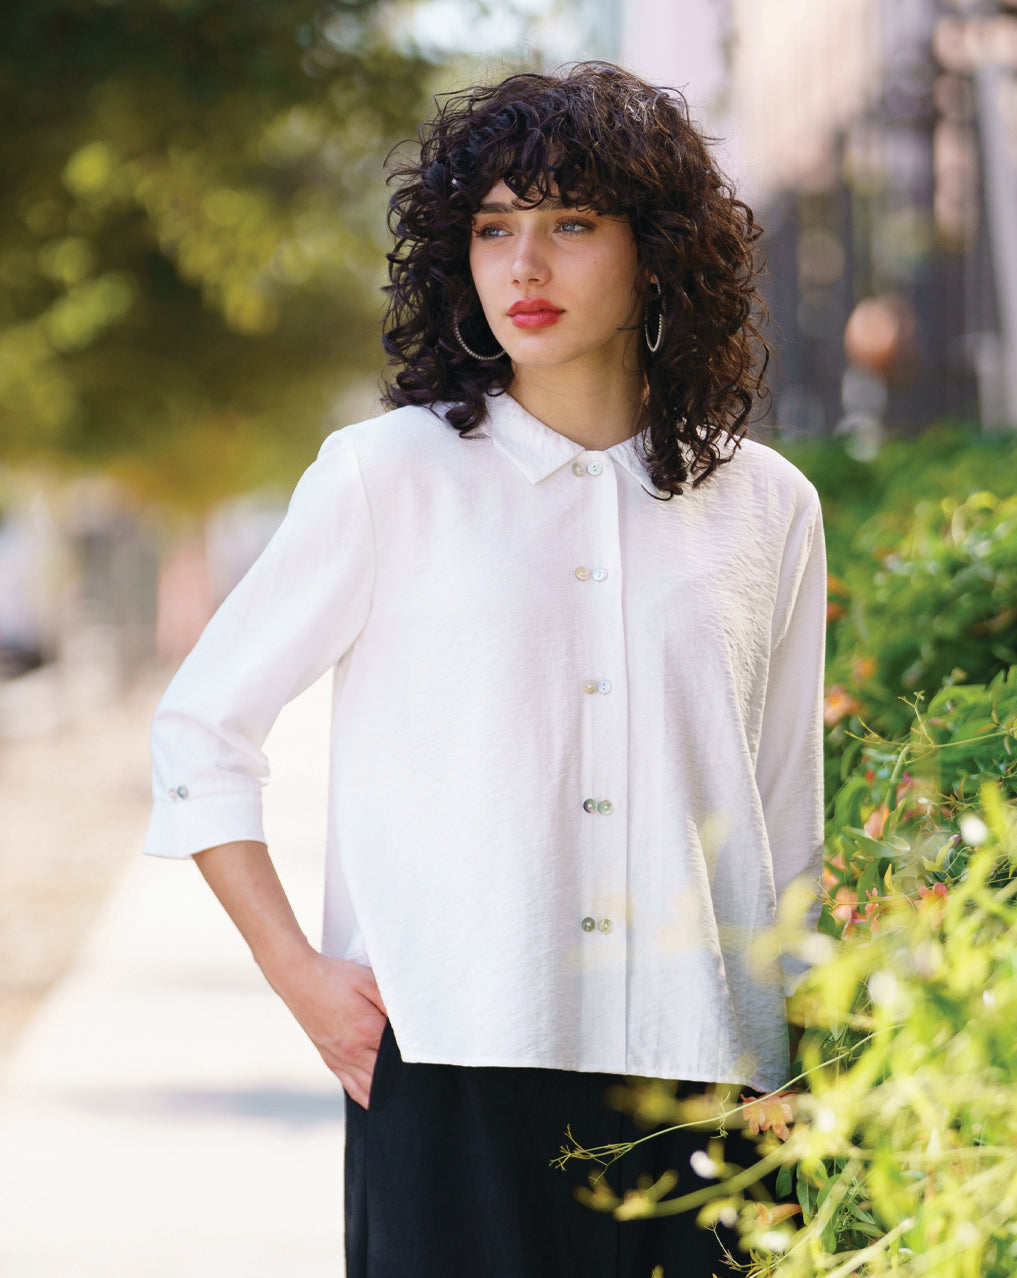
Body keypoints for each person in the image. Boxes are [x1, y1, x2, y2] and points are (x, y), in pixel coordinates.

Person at [145, 61, 826, 1278]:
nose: (525, 266)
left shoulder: (766, 508)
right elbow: (202, 730)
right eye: (494, 228)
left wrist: (795, 1069)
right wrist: (300, 977)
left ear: (657, 249)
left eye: (572, 223)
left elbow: (784, 813)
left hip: (703, 1080)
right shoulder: (386, 476)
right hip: (448, 1061)